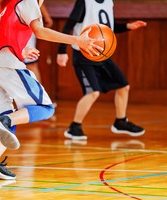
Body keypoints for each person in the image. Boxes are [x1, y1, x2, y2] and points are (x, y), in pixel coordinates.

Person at [0, 0, 102, 180]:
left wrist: (20, 49)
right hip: (3, 64)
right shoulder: (29, 1)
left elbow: (3, 35)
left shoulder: (11, 6)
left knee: (7, 121)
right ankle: (5, 121)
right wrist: (77, 40)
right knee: (45, 108)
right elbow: (40, 32)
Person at [56, 0, 147, 140]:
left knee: (123, 86)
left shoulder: (108, 2)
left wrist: (128, 26)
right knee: (93, 92)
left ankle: (120, 122)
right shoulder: (85, 2)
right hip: (84, 55)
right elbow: (69, 25)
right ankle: (74, 127)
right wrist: (62, 51)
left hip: (102, 55)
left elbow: (107, 27)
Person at [0, 0, 53, 82]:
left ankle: (38, 93)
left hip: (27, 24)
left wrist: (46, 16)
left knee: (31, 62)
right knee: (11, 63)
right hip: (10, 26)